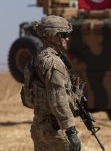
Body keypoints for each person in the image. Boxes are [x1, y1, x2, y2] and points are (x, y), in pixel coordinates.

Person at [29, 15, 81, 151]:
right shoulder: (54, 63)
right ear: (51, 35)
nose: (67, 38)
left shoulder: (38, 57)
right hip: (54, 130)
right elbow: (58, 98)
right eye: (63, 35)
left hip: (38, 127)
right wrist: (71, 131)